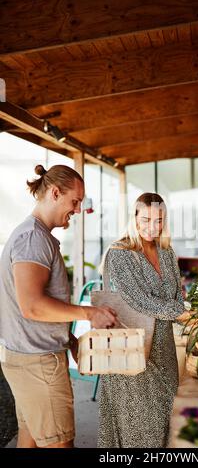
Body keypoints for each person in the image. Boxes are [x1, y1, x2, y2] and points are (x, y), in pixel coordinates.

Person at [0, 164, 117, 449]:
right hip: (38, 364)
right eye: (74, 201)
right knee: (59, 444)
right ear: (54, 193)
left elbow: (35, 309)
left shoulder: (36, 236)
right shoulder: (33, 239)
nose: (77, 210)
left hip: (28, 358)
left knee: (31, 440)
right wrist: (89, 313)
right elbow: (33, 307)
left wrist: (70, 339)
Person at [97, 192, 185, 448]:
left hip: (164, 350)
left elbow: (177, 296)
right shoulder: (120, 253)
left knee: (165, 427)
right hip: (131, 351)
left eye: (159, 220)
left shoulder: (167, 252)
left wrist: (187, 312)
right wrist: (180, 312)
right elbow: (138, 301)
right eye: (145, 219)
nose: (152, 227)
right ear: (133, 218)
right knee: (138, 431)